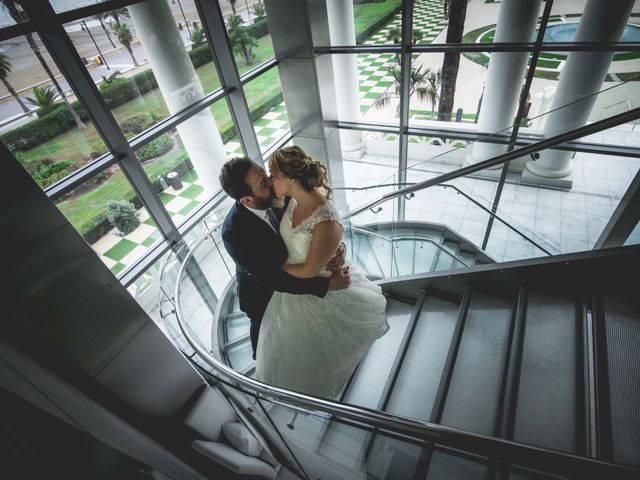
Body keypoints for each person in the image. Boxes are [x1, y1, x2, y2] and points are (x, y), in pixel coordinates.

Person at [256, 146, 389, 399]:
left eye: (273, 174)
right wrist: (336, 250)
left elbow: (309, 269)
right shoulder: (289, 199)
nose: (270, 180)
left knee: (321, 347)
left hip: (315, 284)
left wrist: (271, 269)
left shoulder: (325, 219)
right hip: (293, 286)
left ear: (291, 179)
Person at [219, 157, 351, 360]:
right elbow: (271, 278)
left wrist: (335, 248)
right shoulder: (234, 232)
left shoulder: (284, 195)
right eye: (264, 183)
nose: (271, 182)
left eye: (267, 175)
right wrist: (326, 286)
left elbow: (316, 225)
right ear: (247, 200)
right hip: (262, 294)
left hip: (298, 278)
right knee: (266, 338)